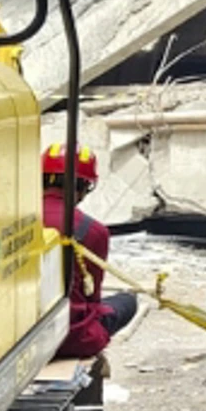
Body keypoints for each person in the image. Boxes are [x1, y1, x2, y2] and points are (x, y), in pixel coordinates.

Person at [41, 143, 139, 359]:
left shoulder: (12, 221)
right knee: (127, 301)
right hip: (72, 339)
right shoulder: (93, 231)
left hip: (18, 338)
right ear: (85, 186)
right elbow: (91, 298)